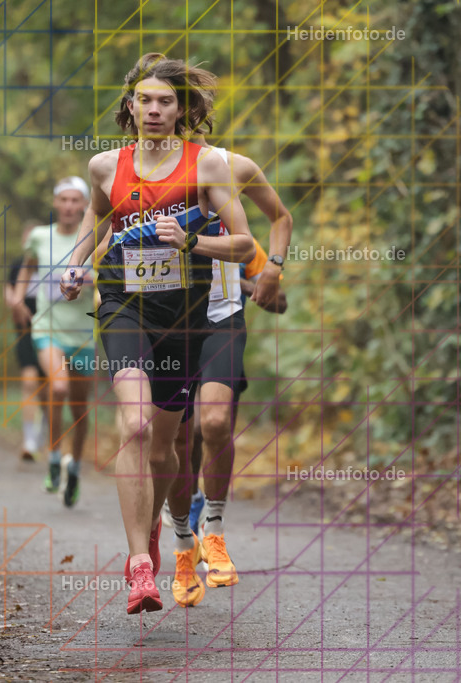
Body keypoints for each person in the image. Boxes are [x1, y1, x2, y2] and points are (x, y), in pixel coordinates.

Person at [59, 52, 254, 614]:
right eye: (144, 100)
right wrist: (76, 266)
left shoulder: (207, 167)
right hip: (127, 308)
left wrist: (190, 241)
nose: (154, 109)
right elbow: (99, 220)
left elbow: (244, 246)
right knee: (137, 424)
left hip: (187, 317)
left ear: (181, 109)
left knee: (166, 447)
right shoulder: (104, 166)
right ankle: (140, 567)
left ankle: (163, 531)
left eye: (165, 101)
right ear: (130, 107)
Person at [166, 153, 291, 608]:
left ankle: (213, 527)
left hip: (222, 318)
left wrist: (270, 273)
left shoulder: (232, 172)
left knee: (213, 424)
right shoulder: (140, 176)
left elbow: (274, 294)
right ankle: (184, 536)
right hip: (167, 322)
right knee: (180, 439)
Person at [12, 177, 97, 507]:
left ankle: (74, 465)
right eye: (63, 199)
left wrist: (86, 279)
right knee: (57, 388)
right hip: (46, 327)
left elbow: (108, 274)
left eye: (76, 200)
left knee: (79, 408)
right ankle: (53, 455)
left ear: (85, 205)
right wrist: (19, 298)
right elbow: (27, 267)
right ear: (55, 203)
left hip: (82, 334)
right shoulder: (39, 237)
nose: (69, 206)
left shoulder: (93, 237)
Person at [5, 221, 46, 462]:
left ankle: (47, 433)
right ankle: (29, 439)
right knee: (29, 382)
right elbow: (8, 290)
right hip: (25, 330)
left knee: (50, 387)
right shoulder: (17, 266)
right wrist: (14, 302)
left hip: (52, 328)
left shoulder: (52, 263)